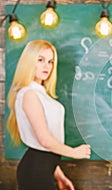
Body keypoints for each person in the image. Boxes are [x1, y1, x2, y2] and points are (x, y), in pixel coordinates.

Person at [7, 40, 91, 190]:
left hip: (44, 168)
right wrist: (74, 152)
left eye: (50, 61)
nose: (47, 66)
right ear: (29, 61)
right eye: (40, 60)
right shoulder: (29, 94)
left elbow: (46, 147)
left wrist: (58, 174)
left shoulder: (40, 93)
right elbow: (44, 141)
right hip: (35, 170)